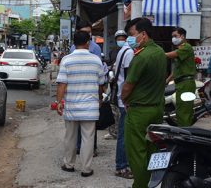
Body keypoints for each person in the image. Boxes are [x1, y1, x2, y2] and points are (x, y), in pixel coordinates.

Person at [121, 18, 166, 188]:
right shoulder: (160, 52)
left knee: (137, 153)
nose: (129, 39)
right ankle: (152, 183)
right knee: (152, 150)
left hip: (139, 111)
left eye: (132, 35)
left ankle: (140, 185)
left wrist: (124, 99)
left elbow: (127, 86)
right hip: (157, 108)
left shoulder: (141, 56)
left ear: (143, 34)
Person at [56, 30, 105, 178]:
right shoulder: (96, 60)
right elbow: (101, 84)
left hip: (71, 106)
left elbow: (62, 83)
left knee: (70, 137)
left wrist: (59, 102)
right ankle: (86, 168)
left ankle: (69, 164)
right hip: (90, 107)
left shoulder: (67, 60)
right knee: (88, 138)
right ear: (88, 43)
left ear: (74, 43)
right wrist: (100, 99)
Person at [109, 29, 134, 179]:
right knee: (124, 135)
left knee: (123, 133)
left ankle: (122, 165)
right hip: (124, 99)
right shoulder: (128, 53)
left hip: (121, 97)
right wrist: (127, 99)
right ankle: (121, 167)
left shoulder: (122, 51)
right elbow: (129, 78)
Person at [165, 27, 196, 126]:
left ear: (182, 36)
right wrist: (167, 80)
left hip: (186, 84)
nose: (173, 38)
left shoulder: (186, 47)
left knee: (184, 113)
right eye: (172, 36)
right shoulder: (181, 49)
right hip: (181, 84)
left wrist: (158, 54)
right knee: (181, 111)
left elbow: (171, 55)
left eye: (175, 36)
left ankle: (185, 134)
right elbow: (176, 70)